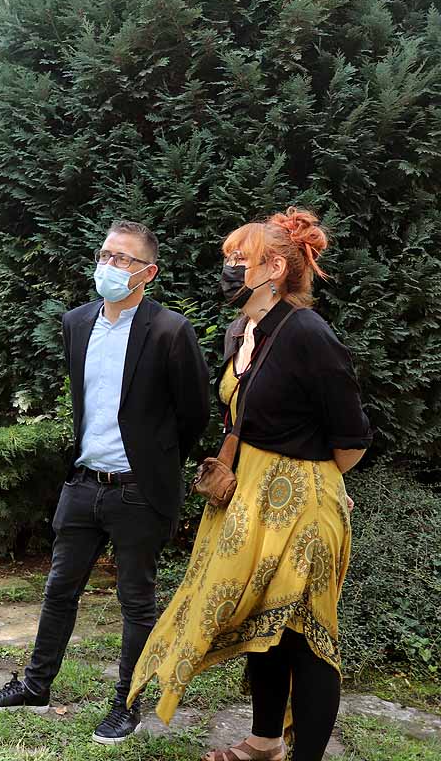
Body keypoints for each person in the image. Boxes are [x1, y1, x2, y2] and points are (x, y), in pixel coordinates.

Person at [127, 208, 372, 761]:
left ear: (276, 268)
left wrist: (316, 483)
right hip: (249, 497)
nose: (230, 269)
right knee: (265, 626)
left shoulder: (309, 332)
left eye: (241, 260)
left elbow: (351, 437)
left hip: (302, 507)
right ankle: (265, 743)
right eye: (229, 260)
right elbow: (242, 418)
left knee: (304, 636)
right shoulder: (243, 330)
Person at [0, 220, 211, 745]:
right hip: (83, 483)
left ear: (147, 272)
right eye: (106, 254)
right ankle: (36, 686)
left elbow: (194, 413)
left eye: (123, 259)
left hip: (138, 490)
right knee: (59, 589)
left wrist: (154, 465)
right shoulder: (77, 322)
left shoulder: (170, 330)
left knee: (136, 601)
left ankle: (126, 706)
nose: (110, 265)